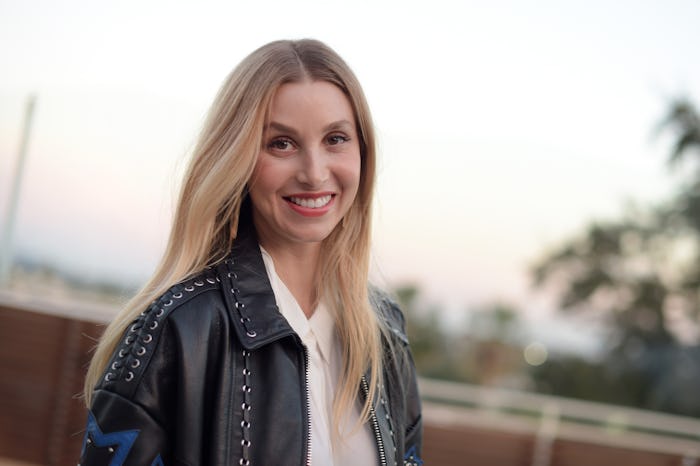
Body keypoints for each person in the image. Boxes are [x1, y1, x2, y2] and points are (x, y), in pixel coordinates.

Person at [80, 39, 423, 466]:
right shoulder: (174, 333)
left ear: (363, 154)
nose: (314, 172)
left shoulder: (385, 333)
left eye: (335, 139)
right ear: (237, 158)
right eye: (281, 143)